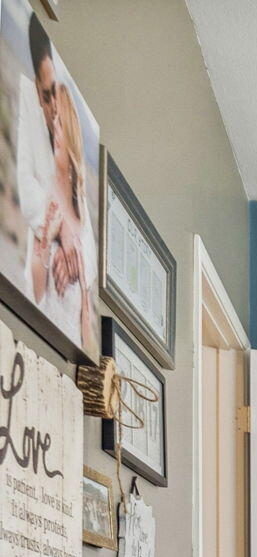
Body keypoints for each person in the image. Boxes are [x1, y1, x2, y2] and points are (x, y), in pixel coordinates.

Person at [20, 14, 92, 348]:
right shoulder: (46, 195)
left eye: (62, 122)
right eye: (46, 98)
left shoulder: (84, 219)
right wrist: (49, 245)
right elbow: (34, 291)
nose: (53, 120)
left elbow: (86, 332)